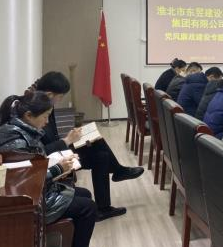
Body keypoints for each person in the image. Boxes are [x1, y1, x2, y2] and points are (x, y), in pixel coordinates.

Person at [0, 92, 108, 247]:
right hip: (32, 200)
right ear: (28, 116)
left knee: (84, 194)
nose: (47, 122)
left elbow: (34, 165)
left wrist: (60, 165)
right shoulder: (16, 140)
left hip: (40, 191)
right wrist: (59, 169)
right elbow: (27, 178)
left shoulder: (21, 130)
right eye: (45, 117)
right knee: (88, 207)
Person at [33, 72, 144, 221]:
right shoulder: (36, 112)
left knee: (100, 152)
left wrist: (70, 139)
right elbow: (40, 152)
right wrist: (67, 140)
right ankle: (118, 173)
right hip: (54, 162)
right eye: (60, 97)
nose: (60, 101)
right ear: (49, 94)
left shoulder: (43, 105)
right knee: (100, 155)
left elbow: (51, 138)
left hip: (58, 153)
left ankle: (105, 205)